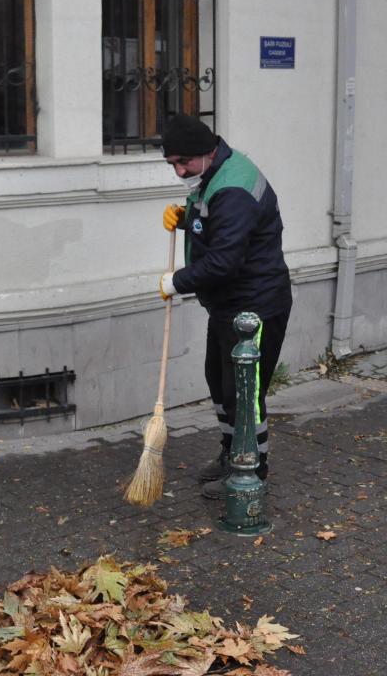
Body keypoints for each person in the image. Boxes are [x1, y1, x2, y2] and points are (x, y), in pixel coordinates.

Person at [157, 114, 291, 499]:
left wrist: (176, 282)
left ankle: (252, 473)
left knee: (244, 393)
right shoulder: (213, 176)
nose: (180, 171)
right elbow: (213, 224)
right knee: (219, 383)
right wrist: (185, 218)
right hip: (229, 306)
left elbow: (224, 260)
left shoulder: (233, 186)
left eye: (184, 162)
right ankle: (232, 453)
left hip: (256, 308)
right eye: (173, 165)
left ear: (207, 151)